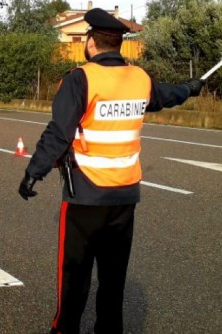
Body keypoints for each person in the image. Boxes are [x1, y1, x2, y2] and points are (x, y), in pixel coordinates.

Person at [17, 8, 203, 334]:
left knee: (75, 273)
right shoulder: (139, 79)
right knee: (113, 276)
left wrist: (35, 171)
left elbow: (59, 132)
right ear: (118, 44)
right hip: (124, 198)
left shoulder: (81, 79)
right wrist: (189, 87)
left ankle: (65, 329)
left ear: (90, 42)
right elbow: (166, 95)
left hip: (86, 196)